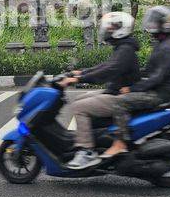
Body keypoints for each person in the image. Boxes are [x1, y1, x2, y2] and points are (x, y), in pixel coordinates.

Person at [60, 11, 141, 169]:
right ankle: (95, 139)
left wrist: (79, 79)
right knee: (79, 100)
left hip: (119, 97)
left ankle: (86, 151)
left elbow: (108, 71)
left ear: (120, 29)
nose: (108, 30)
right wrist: (81, 72)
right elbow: (104, 66)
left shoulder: (125, 50)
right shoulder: (123, 47)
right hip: (114, 92)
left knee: (79, 107)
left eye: (111, 27)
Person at [100, 5, 170, 158]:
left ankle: (120, 142)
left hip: (160, 94)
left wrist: (132, 89)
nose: (152, 25)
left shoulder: (167, 48)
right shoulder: (160, 44)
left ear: (164, 25)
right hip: (156, 90)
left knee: (120, 102)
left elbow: (157, 77)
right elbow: (149, 72)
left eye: (156, 22)